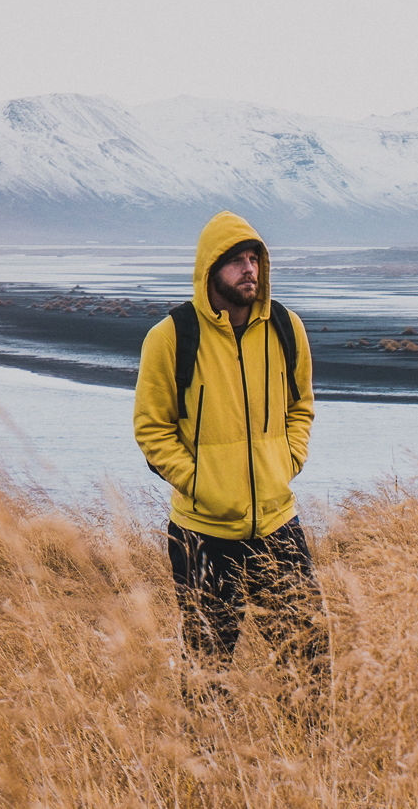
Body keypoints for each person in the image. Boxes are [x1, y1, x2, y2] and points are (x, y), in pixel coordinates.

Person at [133, 211, 328, 697]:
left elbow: (300, 406)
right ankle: (204, 765)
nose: (250, 270)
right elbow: (152, 430)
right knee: (207, 665)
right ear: (210, 269)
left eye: (255, 259)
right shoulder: (171, 338)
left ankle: (309, 758)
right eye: (237, 261)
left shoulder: (286, 327)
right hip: (202, 534)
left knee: (309, 653)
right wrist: (200, 483)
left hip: (278, 523)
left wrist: (287, 461)